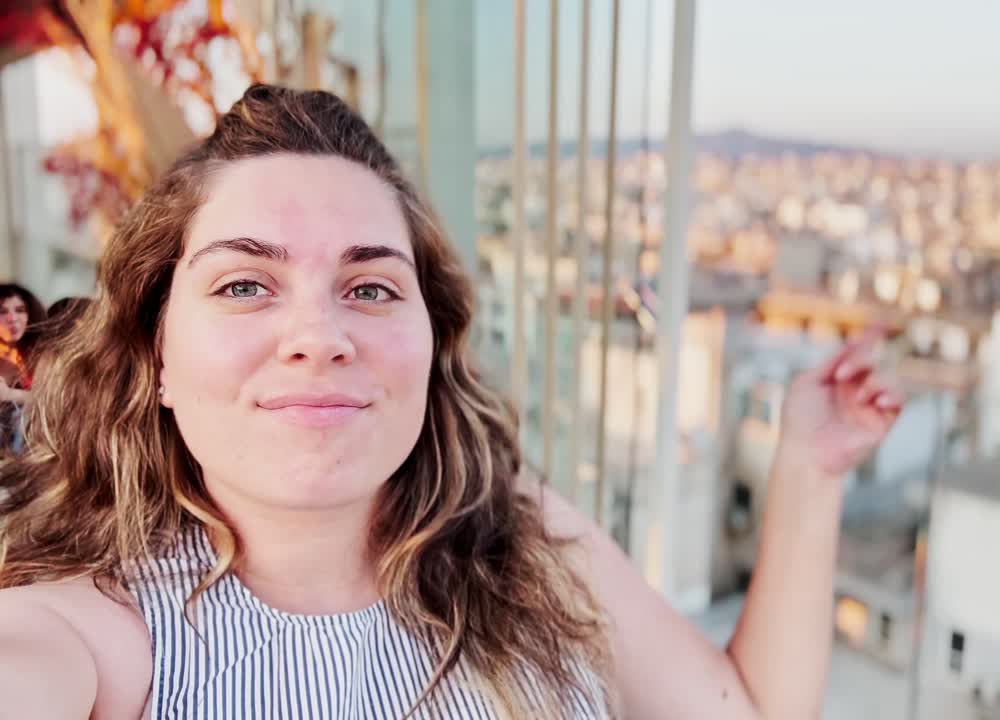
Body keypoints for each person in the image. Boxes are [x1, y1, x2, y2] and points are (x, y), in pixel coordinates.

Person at [0, 85, 902, 719]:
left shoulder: (519, 537)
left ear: (432, 344)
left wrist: (810, 467)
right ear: (157, 352)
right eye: (244, 285)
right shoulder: (95, 635)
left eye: (371, 289)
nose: (318, 335)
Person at [0, 283, 45, 452]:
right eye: (3, 312)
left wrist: (10, 395)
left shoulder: (43, 354)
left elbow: (54, 400)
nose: (12, 318)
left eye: (20, 310)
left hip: (29, 448)